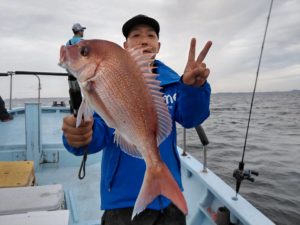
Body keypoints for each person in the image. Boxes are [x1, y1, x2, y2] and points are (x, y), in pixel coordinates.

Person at [62, 14, 212, 225]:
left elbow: (191, 118)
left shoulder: (174, 84)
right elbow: (98, 133)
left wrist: (192, 89)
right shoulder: (109, 80)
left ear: (158, 45)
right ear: (125, 45)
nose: (144, 40)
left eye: (151, 36)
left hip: (170, 197)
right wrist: (79, 136)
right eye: (136, 35)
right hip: (123, 202)